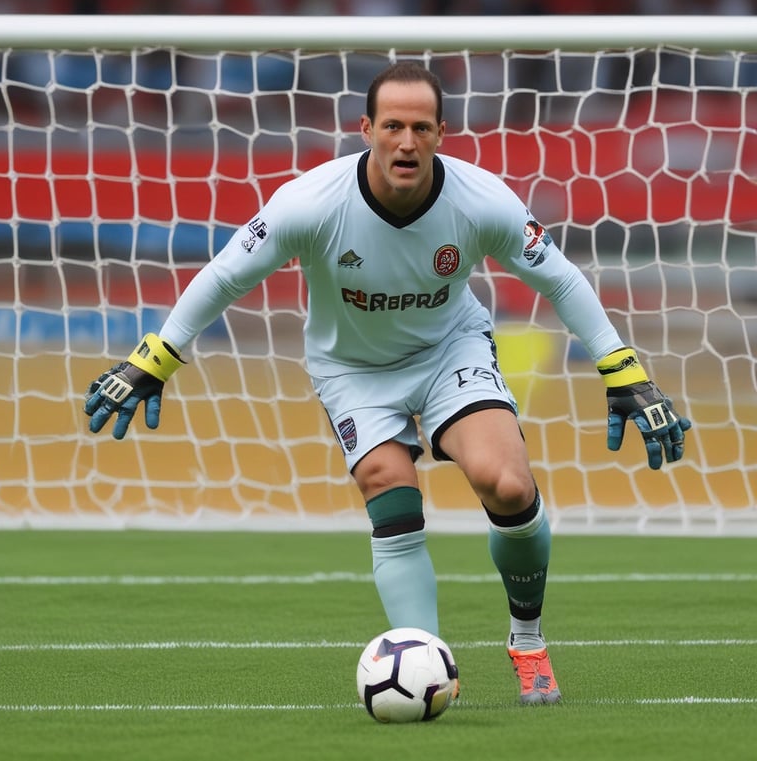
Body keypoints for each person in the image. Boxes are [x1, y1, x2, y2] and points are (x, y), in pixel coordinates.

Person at [84, 61, 691, 706]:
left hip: (448, 351)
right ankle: (426, 663)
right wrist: (155, 359)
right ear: (367, 128)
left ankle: (528, 639)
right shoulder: (309, 204)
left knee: (507, 484)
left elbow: (561, 279)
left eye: (422, 127)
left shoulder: (481, 200)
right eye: (394, 125)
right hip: (352, 370)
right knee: (388, 487)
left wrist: (622, 370)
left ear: (441, 133)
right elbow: (226, 275)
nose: (407, 142)